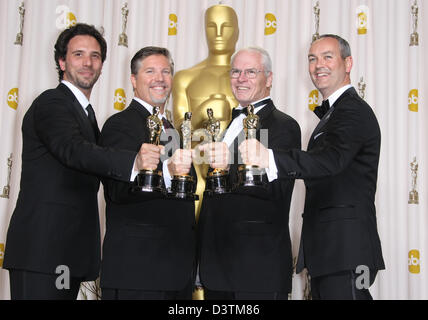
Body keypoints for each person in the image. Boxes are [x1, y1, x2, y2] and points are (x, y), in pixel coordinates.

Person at [3, 23, 152, 300]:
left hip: (65, 253)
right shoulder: (51, 103)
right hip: (43, 252)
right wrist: (135, 161)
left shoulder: (86, 114)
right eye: (78, 54)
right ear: (62, 62)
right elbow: (73, 149)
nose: (88, 62)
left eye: (95, 56)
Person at [245, 35, 385, 299]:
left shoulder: (352, 110)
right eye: (312, 58)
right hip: (330, 252)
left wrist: (270, 158)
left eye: (327, 56)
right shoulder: (335, 113)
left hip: (346, 251)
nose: (318, 64)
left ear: (348, 63)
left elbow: (330, 161)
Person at [197, 47, 301, 300]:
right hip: (216, 267)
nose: (241, 78)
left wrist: (228, 167)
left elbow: (277, 189)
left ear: (269, 78)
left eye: (251, 72)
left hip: (256, 268)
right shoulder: (228, 126)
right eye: (236, 71)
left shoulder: (283, 125)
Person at [98, 47, 197, 300]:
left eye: (165, 71)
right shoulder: (119, 124)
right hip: (137, 273)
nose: (160, 78)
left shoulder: (173, 131)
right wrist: (165, 172)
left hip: (178, 273)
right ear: (133, 80)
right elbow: (116, 191)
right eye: (150, 71)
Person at [172, 4, 239, 218]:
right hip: (196, 170)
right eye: (212, 27)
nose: (218, 34)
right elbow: (178, 131)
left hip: (238, 171)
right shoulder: (185, 78)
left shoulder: (247, 79)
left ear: (236, 32)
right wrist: (204, 112)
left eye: (225, 26)